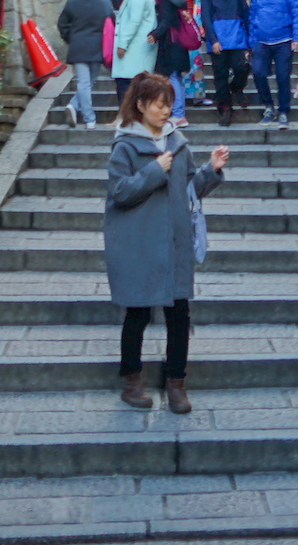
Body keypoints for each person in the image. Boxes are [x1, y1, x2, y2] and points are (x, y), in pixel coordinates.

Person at [104, 74, 229, 414]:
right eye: (159, 105)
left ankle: (176, 384)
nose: (165, 111)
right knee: (138, 312)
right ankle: (131, 382)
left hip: (174, 242)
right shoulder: (125, 146)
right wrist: (154, 171)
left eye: (169, 104)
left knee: (179, 314)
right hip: (139, 244)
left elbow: (190, 191)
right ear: (141, 106)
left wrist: (211, 170)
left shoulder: (178, 142)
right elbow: (119, 193)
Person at [246, 0, 298, 128]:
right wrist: (251, 42)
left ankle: (284, 111)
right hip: (261, 41)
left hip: (283, 41)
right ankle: (268, 106)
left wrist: (297, 38)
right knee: (258, 73)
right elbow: (252, 17)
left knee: (282, 77)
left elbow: (297, 14)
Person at [57, 0, 114, 130]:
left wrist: (71, 38)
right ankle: (89, 118)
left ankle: (74, 106)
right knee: (90, 81)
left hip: (78, 47)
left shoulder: (72, 2)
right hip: (97, 48)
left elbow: (62, 24)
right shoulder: (105, 2)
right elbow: (112, 23)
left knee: (83, 82)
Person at [199, 0, 251, 126]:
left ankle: (237, 87)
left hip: (237, 37)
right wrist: (213, 40)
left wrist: (250, 40)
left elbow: (245, 14)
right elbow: (205, 18)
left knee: (241, 67)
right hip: (218, 40)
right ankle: (225, 108)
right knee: (220, 75)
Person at [152, 0, 195, 125]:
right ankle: (178, 112)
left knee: (172, 77)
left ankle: (178, 114)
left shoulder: (164, 0)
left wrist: (155, 34)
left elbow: (165, 22)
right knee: (176, 77)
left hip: (170, 44)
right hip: (179, 44)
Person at [111, 0, 157, 102]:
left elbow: (134, 22)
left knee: (125, 85)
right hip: (139, 49)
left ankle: (125, 118)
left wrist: (122, 44)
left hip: (133, 50)